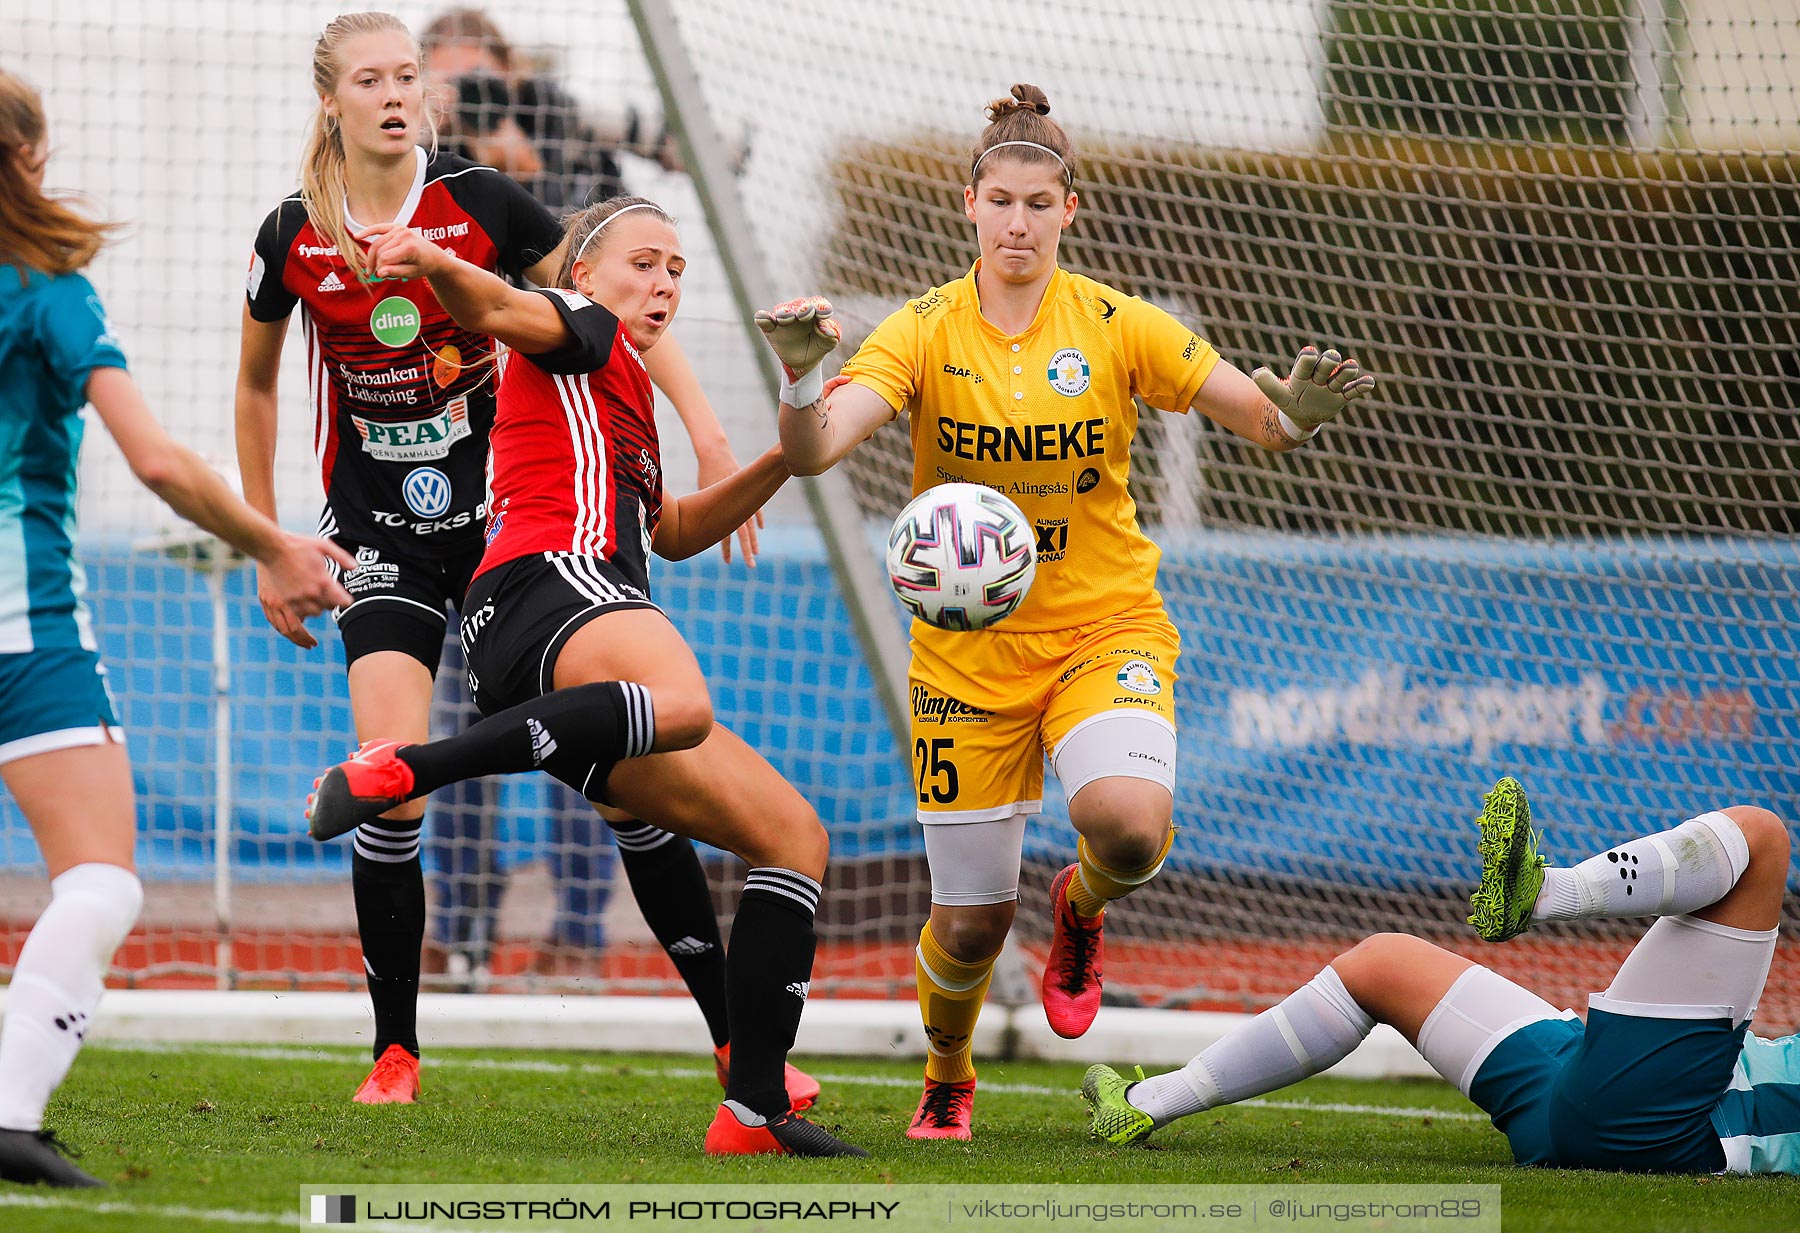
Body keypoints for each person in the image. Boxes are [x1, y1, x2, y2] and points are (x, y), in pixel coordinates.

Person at [754, 83, 1374, 1140]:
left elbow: (1263, 416)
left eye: (1039, 204)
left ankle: (1082, 907)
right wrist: (802, 381)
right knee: (967, 923)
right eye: (1000, 200)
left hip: (1105, 629)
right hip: (965, 662)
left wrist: (1298, 419)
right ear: (969, 205)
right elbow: (813, 454)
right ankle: (948, 1073)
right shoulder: (920, 331)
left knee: (1129, 830)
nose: (1017, 222)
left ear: (1069, 212)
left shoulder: (1119, 325)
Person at [233, 11, 786, 1109]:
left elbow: (610, 310)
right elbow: (255, 387)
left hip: (509, 538)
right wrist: (271, 541)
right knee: (389, 774)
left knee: (628, 789)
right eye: (371, 80)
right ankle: (396, 1052)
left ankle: (737, 1045)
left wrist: (709, 431)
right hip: (384, 538)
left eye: (408, 77)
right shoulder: (290, 233)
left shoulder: (481, 203)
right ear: (331, 100)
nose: (396, 95)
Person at [304, 194, 866, 1157]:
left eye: (678, 270)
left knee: (793, 837)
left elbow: (676, 533)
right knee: (686, 705)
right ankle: (414, 769)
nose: (664, 283)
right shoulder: (576, 325)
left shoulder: (627, 387)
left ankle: (752, 1111)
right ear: (584, 275)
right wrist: (430, 263)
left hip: (558, 629)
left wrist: (786, 453)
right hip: (550, 588)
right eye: (644, 261)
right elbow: (491, 308)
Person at [0, 69, 352, 1187]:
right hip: (22, 622)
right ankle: (8, 1115)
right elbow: (153, 457)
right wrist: (276, 546)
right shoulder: (52, 288)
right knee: (100, 882)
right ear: (33, 159)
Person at [1083, 777, 1799, 1176]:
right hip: (1582, 1085)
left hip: (1661, 1119)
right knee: (1381, 962)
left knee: (1760, 837)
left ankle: (1546, 892)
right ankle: (1148, 1102)